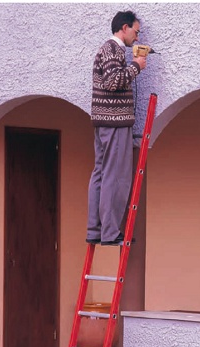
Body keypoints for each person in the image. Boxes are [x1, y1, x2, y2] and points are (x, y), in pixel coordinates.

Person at [86, 10, 147, 246]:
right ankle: (110, 233)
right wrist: (136, 66)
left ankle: (95, 229)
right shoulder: (113, 50)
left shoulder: (106, 49)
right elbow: (113, 82)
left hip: (103, 122)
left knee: (101, 174)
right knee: (116, 176)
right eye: (136, 31)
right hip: (115, 122)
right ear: (124, 27)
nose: (137, 37)